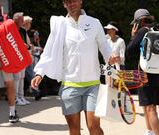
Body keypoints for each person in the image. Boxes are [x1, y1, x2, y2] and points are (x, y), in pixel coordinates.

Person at [31, 0, 118, 134]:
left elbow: (104, 47)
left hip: (93, 85)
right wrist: (39, 73)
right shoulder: (60, 25)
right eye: (68, 1)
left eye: (74, 0)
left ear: (80, 1)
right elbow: (49, 50)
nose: (72, 4)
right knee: (74, 130)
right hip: (70, 86)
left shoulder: (94, 23)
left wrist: (110, 57)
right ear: (64, 4)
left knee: (94, 127)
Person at [125, 9, 159, 135]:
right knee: (148, 106)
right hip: (158, 72)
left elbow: (129, 50)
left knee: (150, 108)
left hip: (145, 73)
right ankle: (149, 132)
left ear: (140, 21)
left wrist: (133, 36)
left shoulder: (143, 31)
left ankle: (156, 133)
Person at [12, 12, 30, 105]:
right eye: (21, 19)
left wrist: (27, 46)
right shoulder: (11, 29)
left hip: (22, 56)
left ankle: (21, 97)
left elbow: (25, 42)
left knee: (22, 77)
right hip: (15, 56)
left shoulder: (23, 30)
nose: (23, 21)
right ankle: (15, 98)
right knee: (17, 77)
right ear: (16, 20)